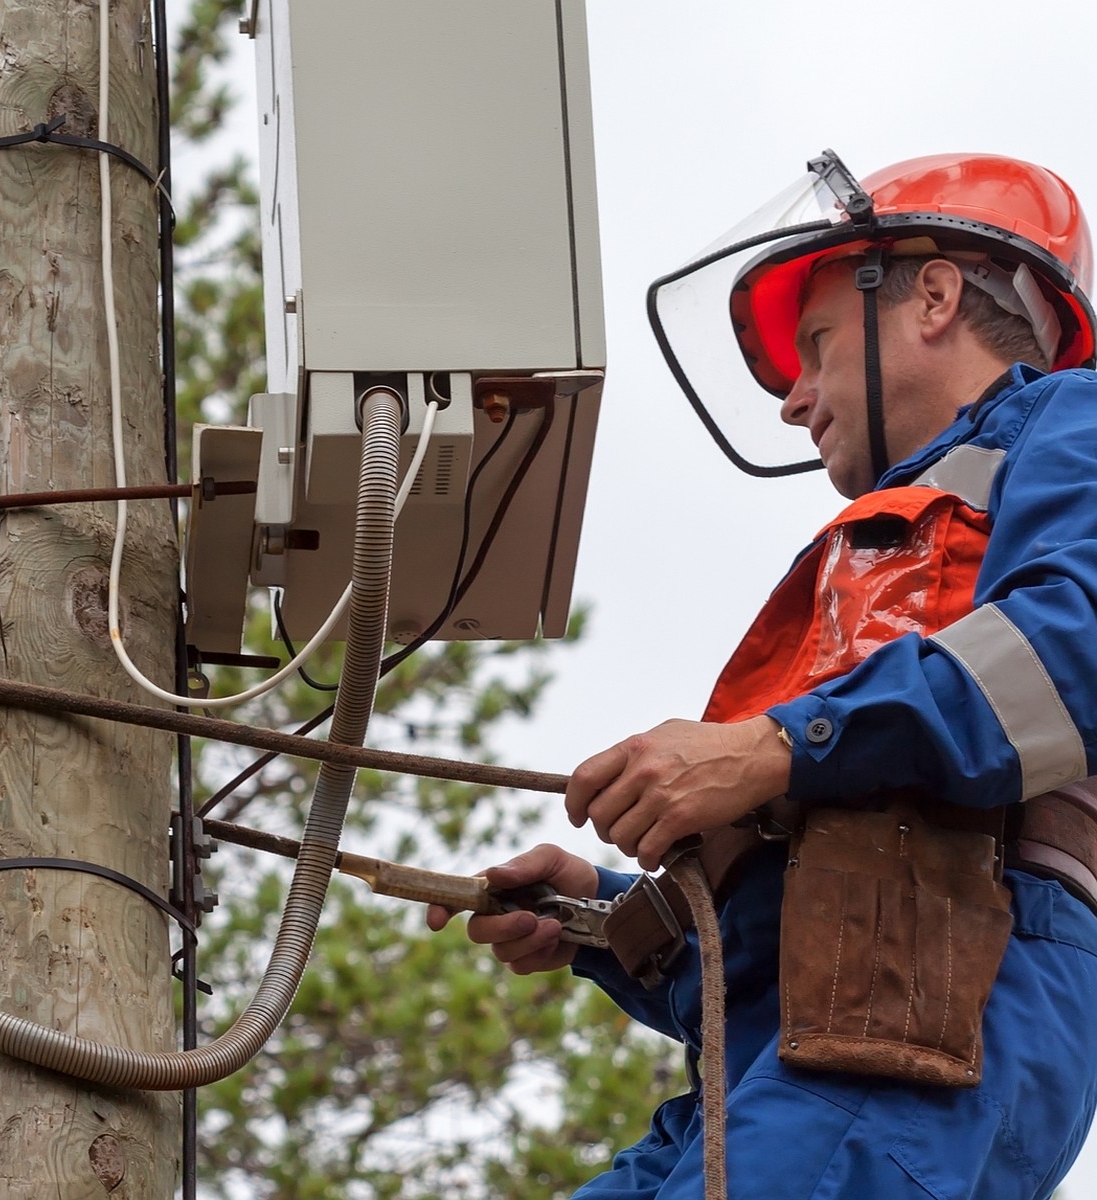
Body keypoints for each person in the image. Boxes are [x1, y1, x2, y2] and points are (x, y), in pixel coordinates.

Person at [428, 152, 1097, 1199]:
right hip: (804, 1051)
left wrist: (776, 745)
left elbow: (1076, 653)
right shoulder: (884, 552)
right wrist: (610, 923)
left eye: (815, 344)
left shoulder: (1076, 427)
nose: (793, 401)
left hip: (934, 1024)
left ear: (933, 294)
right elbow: (777, 946)